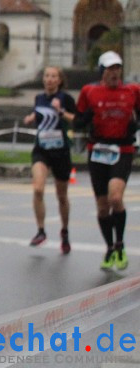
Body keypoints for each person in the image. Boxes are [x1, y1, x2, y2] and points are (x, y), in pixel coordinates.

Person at [75, 51, 139, 271]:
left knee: (115, 197)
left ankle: (120, 245)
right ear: (102, 71)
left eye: (118, 68)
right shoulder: (89, 91)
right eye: (110, 68)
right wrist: (84, 121)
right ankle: (109, 247)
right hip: (98, 149)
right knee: (102, 208)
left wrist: (135, 124)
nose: (115, 73)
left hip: (122, 148)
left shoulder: (132, 90)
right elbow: (78, 119)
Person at [21, 65, 76, 253]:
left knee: (61, 196)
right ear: (43, 79)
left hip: (61, 151)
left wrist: (61, 112)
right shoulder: (39, 98)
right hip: (42, 149)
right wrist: (30, 118)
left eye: (54, 76)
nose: (50, 79)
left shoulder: (65, 98)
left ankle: (65, 231)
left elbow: (76, 119)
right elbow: (39, 115)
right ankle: (41, 231)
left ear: (59, 80)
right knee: (38, 188)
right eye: (47, 76)